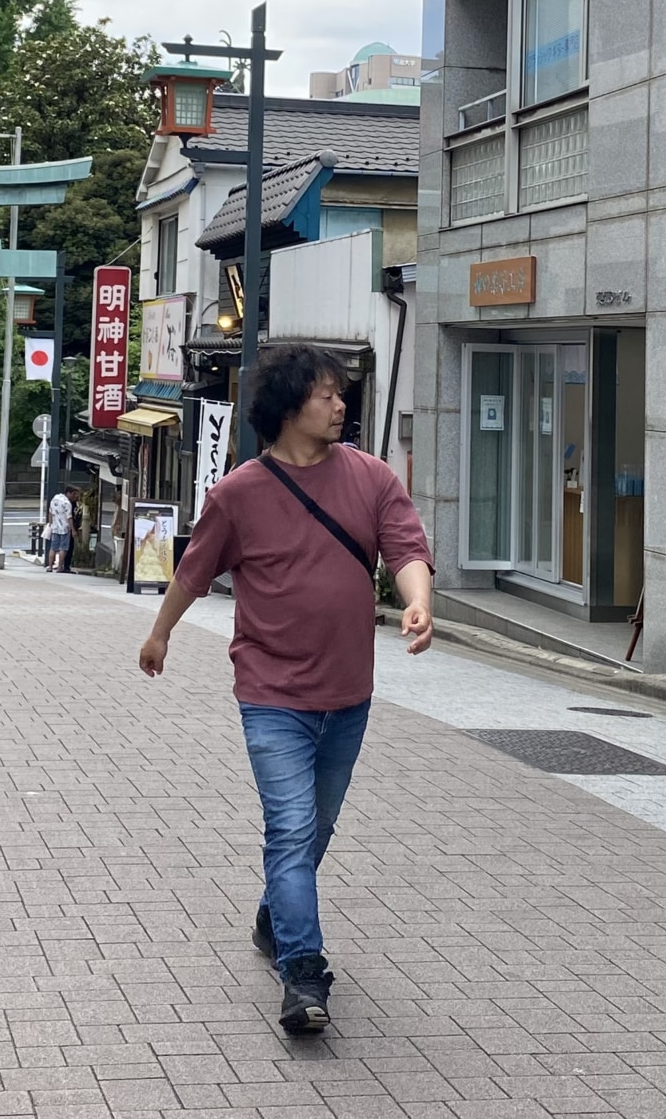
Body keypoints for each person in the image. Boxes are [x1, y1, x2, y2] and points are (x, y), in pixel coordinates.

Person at [138, 345, 434, 1035]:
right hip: (270, 692)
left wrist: (418, 602)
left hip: (348, 693)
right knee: (293, 828)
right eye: (327, 396)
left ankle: (277, 913)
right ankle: (303, 971)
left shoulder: (371, 477)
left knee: (315, 828)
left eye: (341, 396)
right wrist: (160, 634)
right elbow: (193, 571)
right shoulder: (239, 493)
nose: (340, 407)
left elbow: (407, 550)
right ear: (289, 406)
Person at [45, 484, 73, 573]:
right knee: (63, 548)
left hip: (55, 526)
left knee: (53, 548)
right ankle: (60, 567)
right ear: (68, 493)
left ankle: (50, 566)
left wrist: (50, 524)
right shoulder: (67, 503)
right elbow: (69, 517)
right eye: (73, 494)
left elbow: (50, 512)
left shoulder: (55, 498)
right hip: (64, 527)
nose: (74, 496)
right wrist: (73, 529)